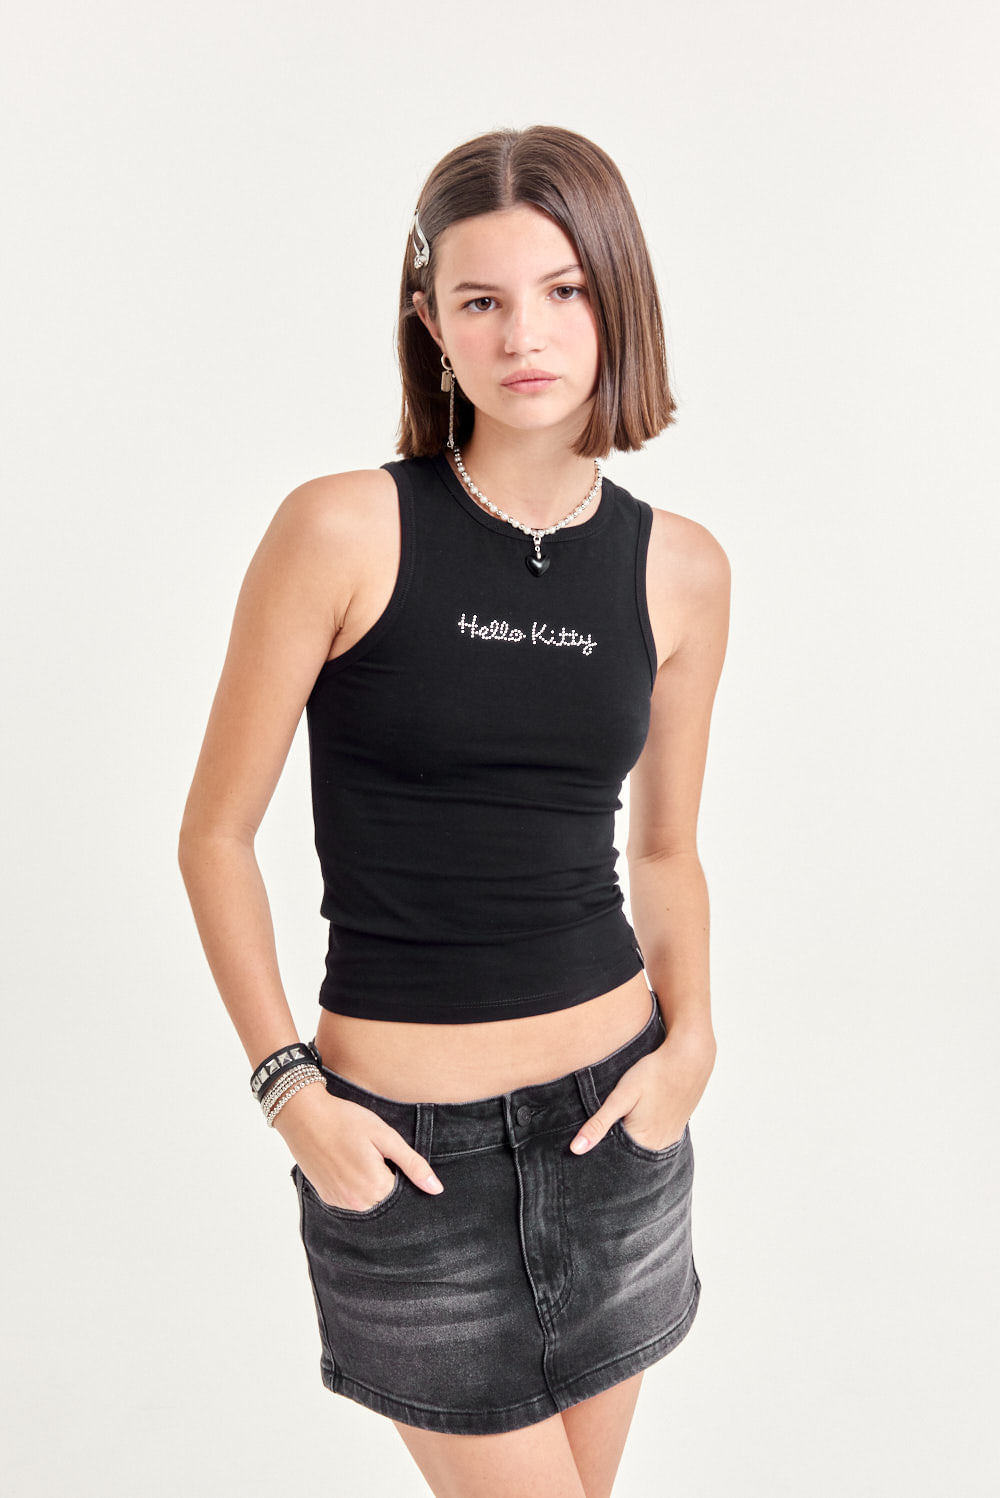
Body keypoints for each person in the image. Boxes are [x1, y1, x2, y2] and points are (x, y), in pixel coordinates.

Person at [178, 123, 730, 1498]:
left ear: (617, 297)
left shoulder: (681, 569)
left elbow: (665, 848)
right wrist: (287, 1089)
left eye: (563, 290)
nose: (523, 333)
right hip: (406, 1162)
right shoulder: (341, 530)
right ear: (429, 324)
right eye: (481, 299)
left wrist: (694, 1042)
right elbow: (214, 835)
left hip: (618, 1127)